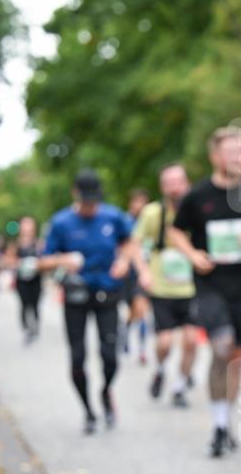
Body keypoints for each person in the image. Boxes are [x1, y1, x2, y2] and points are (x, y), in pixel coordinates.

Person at [168, 127, 241, 457]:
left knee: (236, 357)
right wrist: (193, 255)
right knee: (220, 346)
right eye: (232, 152)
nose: (239, 158)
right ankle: (219, 425)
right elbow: (176, 232)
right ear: (215, 157)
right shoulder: (199, 195)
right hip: (210, 285)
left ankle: (225, 420)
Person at [38, 169, 136, 433]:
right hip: (76, 296)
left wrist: (124, 261)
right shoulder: (61, 223)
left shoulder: (113, 217)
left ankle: (106, 391)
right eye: (86, 202)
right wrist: (63, 260)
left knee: (109, 355)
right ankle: (88, 410)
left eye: (94, 202)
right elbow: (43, 261)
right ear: (75, 195)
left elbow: (129, 243)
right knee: (78, 357)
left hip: (107, 293)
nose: (91, 207)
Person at [133, 162, 198, 408]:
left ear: (187, 184)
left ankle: (180, 386)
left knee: (191, 341)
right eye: (168, 183)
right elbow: (135, 244)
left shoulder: (196, 209)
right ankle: (160, 368)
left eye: (178, 182)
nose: (174, 189)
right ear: (162, 187)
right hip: (162, 288)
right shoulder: (152, 213)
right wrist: (143, 271)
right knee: (165, 342)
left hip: (192, 288)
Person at [121, 187, 152, 364]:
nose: (140, 206)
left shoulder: (150, 222)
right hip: (129, 274)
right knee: (132, 310)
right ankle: (124, 331)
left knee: (141, 310)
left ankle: (141, 349)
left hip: (145, 274)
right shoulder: (125, 222)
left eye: (143, 202)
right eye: (137, 202)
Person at [7, 216, 43, 344]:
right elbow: (9, 260)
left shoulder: (38, 244)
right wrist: (20, 263)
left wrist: (36, 264)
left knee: (35, 304)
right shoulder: (16, 244)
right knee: (24, 304)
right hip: (22, 280)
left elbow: (45, 259)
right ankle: (27, 328)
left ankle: (35, 326)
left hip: (36, 279)